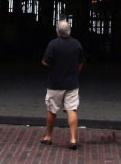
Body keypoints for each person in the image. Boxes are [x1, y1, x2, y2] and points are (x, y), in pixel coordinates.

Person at [40, 20, 85, 150]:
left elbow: (45, 62)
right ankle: (73, 138)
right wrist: (76, 73)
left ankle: (48, 136)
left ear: (58, 31)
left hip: (55, 83)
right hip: (72, 83)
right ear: (69, 30)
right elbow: (81, 62)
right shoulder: (76, 44)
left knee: (52, 110)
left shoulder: (53, 44)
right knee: (72, 109)